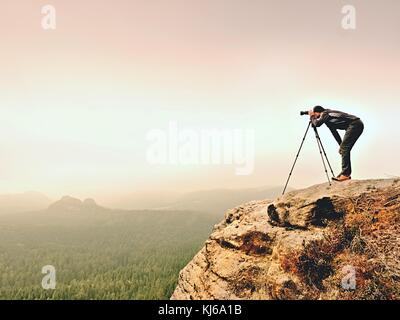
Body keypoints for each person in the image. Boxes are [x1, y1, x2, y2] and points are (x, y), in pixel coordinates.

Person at [309, 106, 364, 182]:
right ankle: (345, 173)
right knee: (344, 149)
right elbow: (335, 133)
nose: (316, 117)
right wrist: (341, 146)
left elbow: (317, 124)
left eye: (315, 114)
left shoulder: (325, 113)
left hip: (354, 124)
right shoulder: (327, 118)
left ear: (317, 112)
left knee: (345, 149)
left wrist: (312, 116)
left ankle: (345, 174)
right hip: (356, 124)